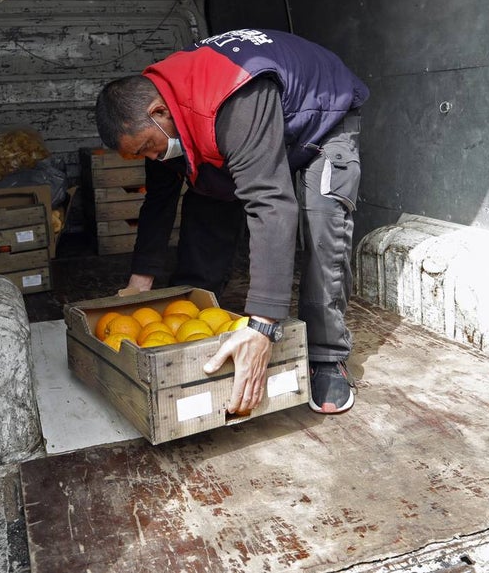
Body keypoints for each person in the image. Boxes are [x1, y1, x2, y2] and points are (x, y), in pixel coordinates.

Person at [94, 28, 369, 415]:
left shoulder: (227, 100)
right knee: (207, 189)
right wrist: (141, 282)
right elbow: (159, 199)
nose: (151, 157)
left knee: (321, 222)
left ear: (158, 112)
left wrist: (263, 325)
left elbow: (271, 203)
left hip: (319, 117)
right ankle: (200, 312)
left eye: (146, 148)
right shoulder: (159, 116)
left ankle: (325, 355)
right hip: (237, 125)